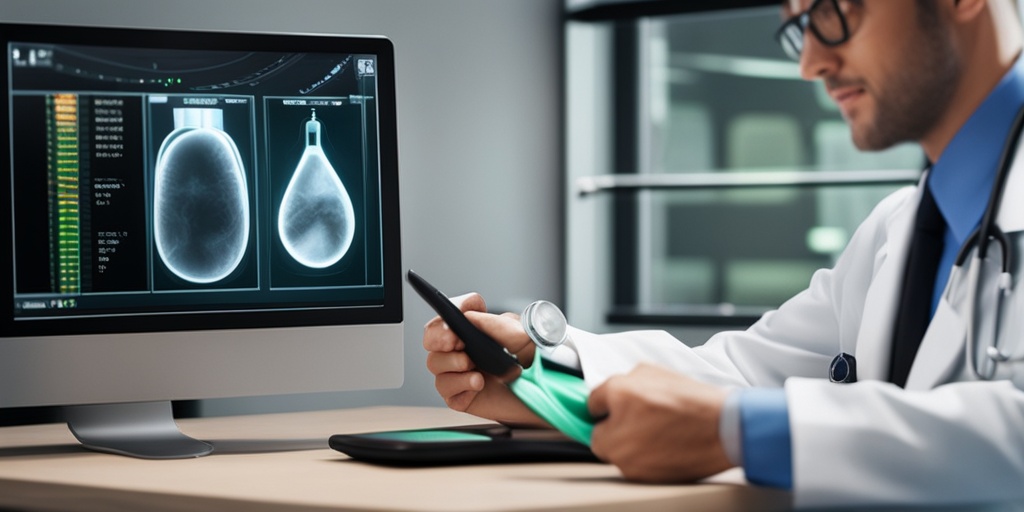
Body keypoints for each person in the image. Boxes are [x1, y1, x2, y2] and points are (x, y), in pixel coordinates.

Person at [422, 0, 1024, 507]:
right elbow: (742, 372)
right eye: (799, 28)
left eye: (833, 12)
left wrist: (744, 432)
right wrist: (541, 378)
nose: (813, 63)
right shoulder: (901, 227)